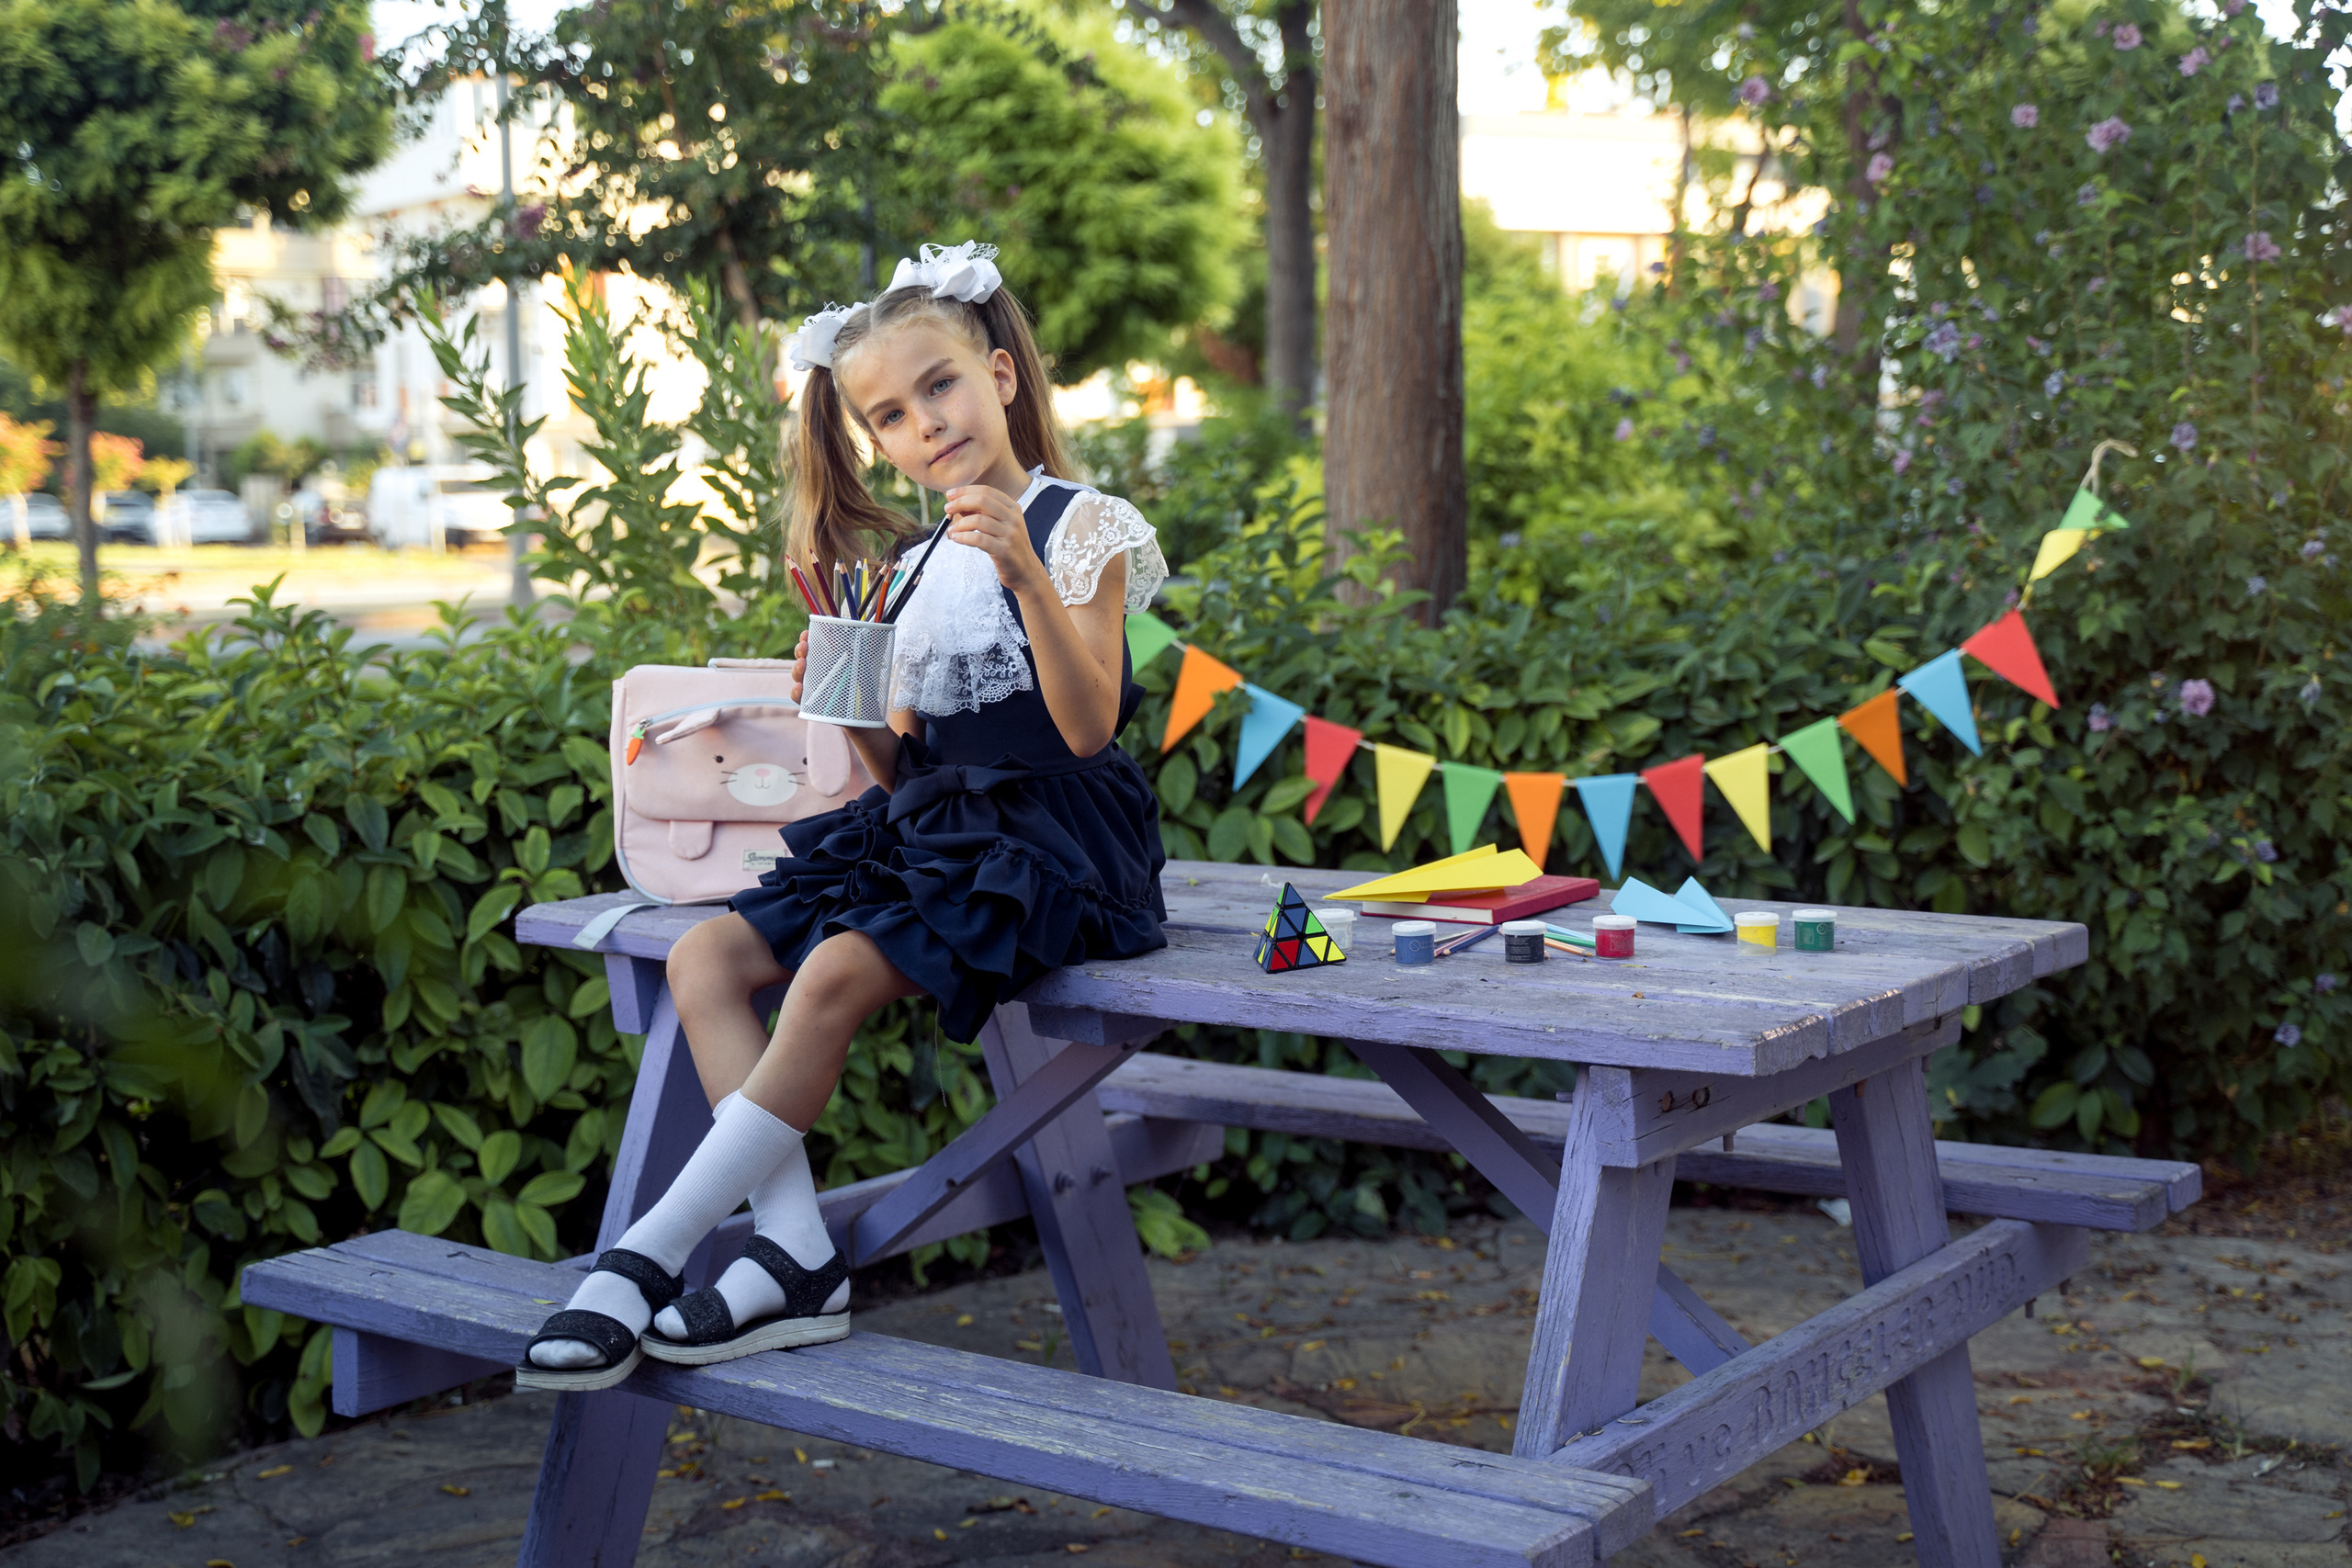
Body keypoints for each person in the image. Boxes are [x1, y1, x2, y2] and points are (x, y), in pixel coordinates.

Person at [516, 242, 1171, 1389]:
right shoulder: (912, 563)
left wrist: (1024, 573)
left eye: (940, 385)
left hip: (1056, 841)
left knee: (826, 973)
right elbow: (894, 765)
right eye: (890, 415)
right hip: (938, 826)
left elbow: (1086, 728)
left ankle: (640, 1258)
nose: (926, 423)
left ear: (1000, 377)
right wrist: (843, 686)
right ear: (876, 440)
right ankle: (795, 1250)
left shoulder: (1081, 526)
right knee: (707, 957)